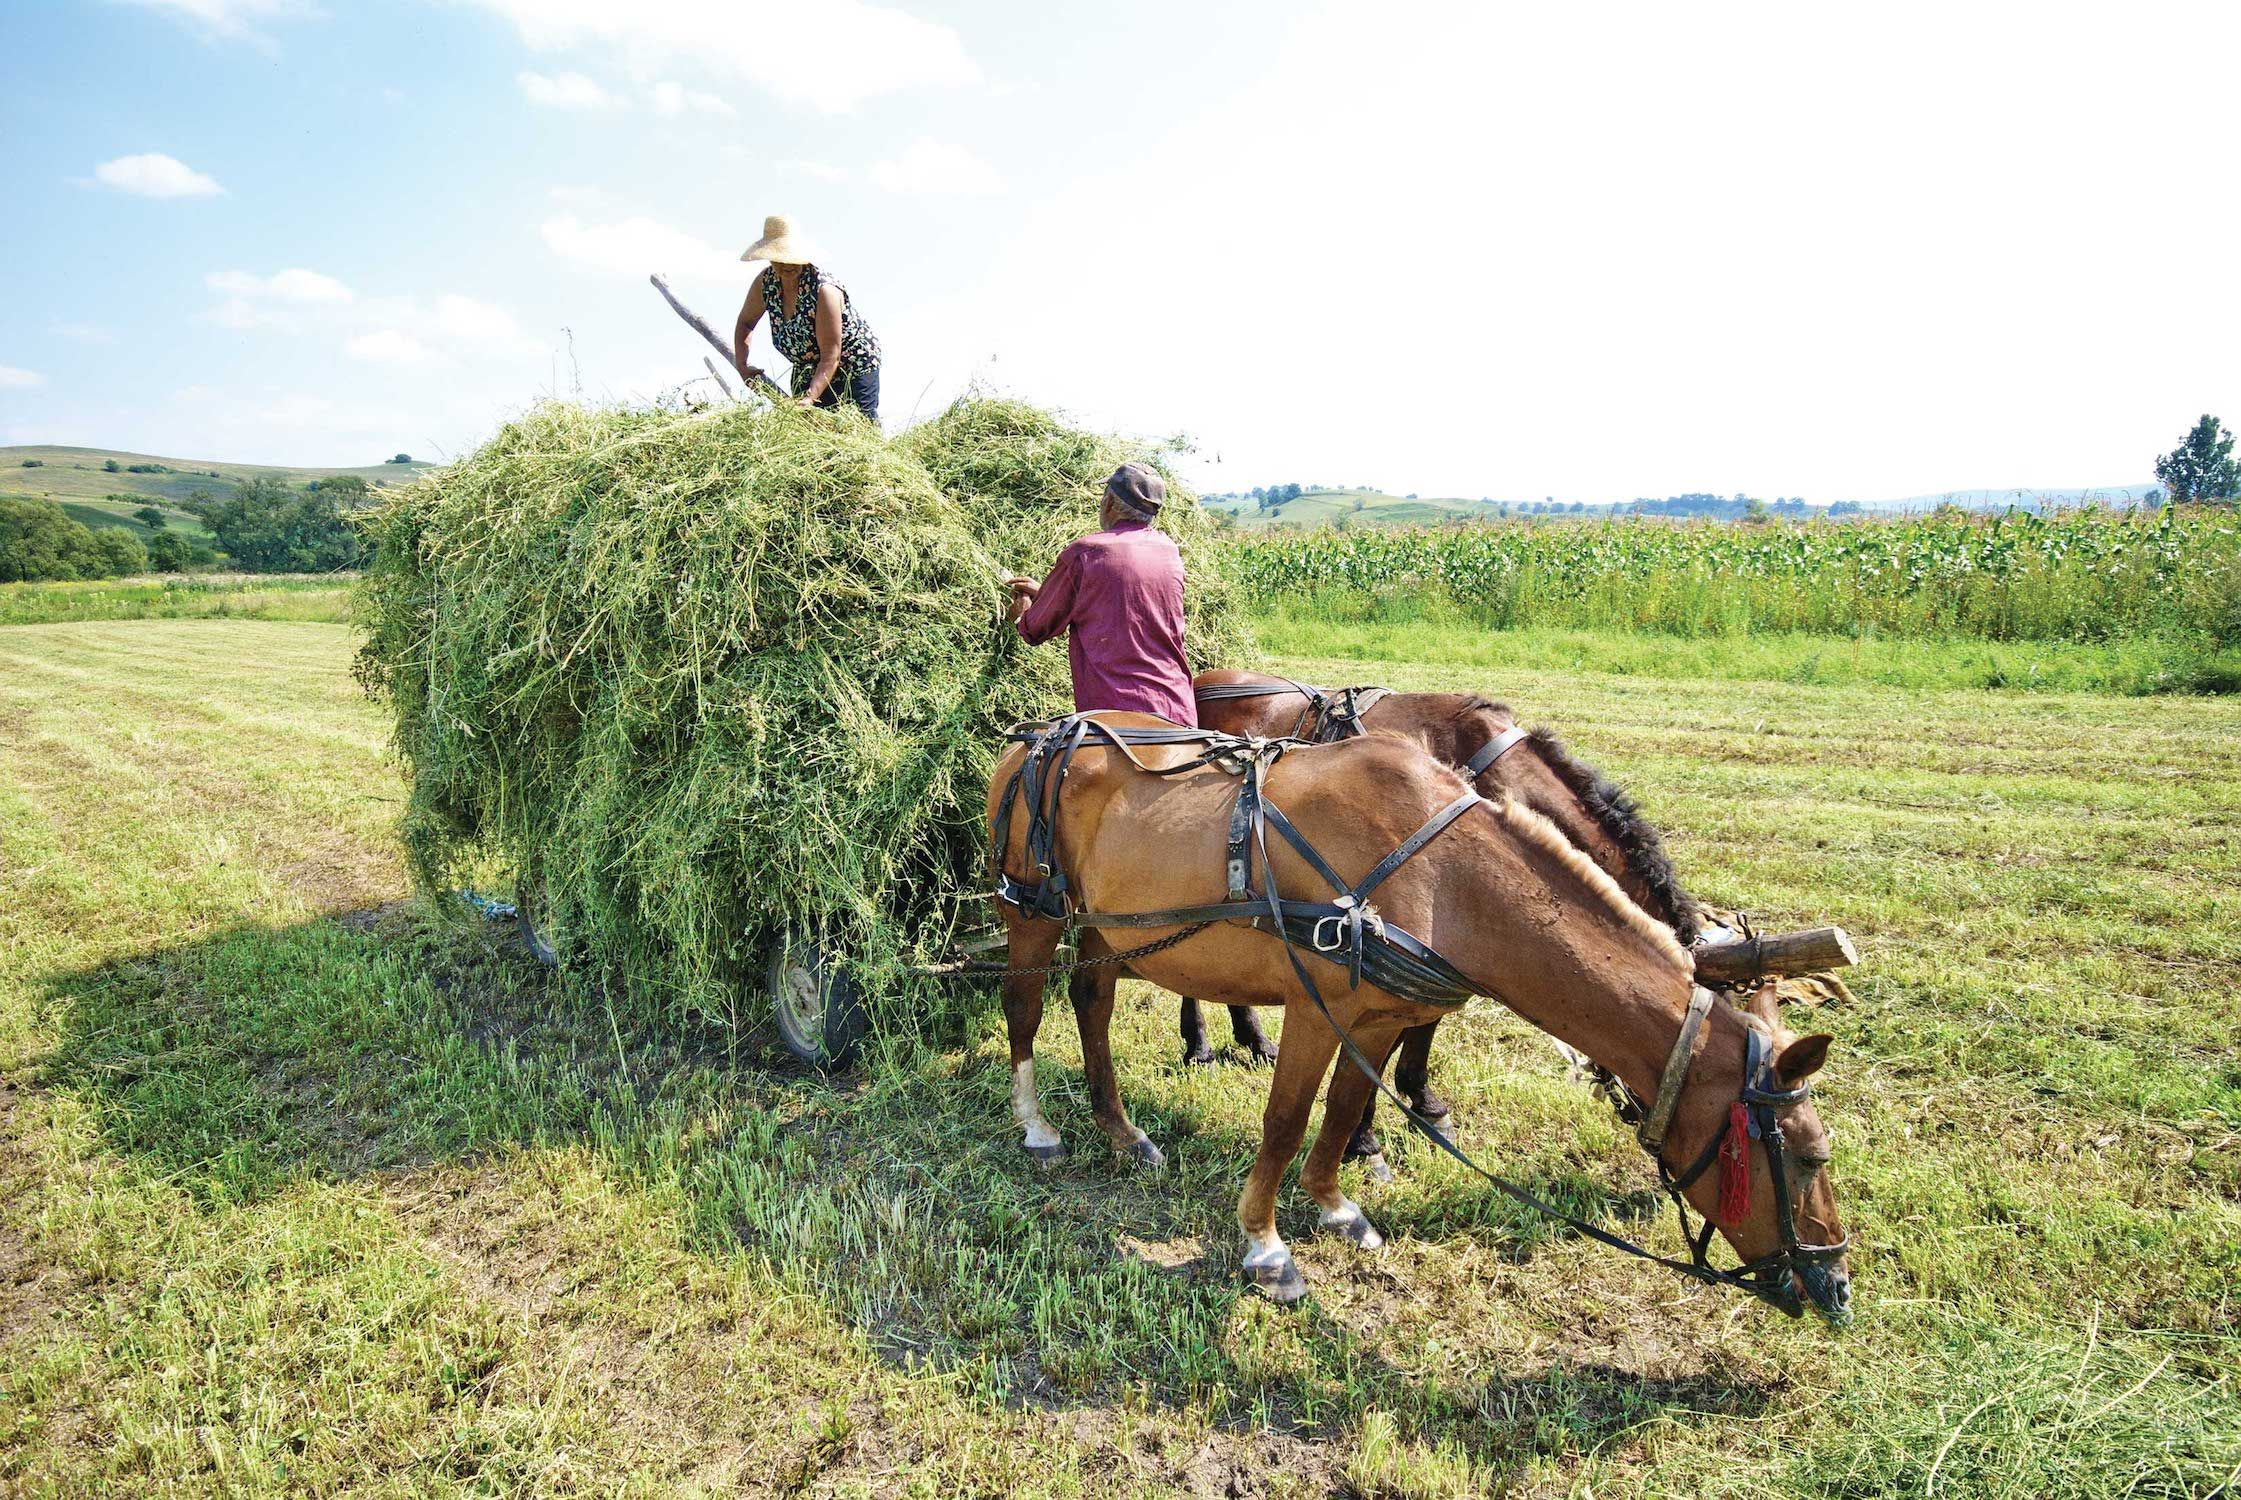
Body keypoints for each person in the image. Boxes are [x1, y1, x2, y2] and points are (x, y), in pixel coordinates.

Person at [1007, 463, 1197, 725]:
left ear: (1108, 502)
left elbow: (1035, 630)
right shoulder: (1168, 550)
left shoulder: (1086, 552)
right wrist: (1047, 593)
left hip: (1115, 715)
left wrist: (1022, 612)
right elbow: (1125, 604)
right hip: (1177, 710)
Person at [732, 214, 882, 418]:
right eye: (780, 257)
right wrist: (741, 364)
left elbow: (831, 356)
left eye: (792, 257)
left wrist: (810, 398)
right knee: (807, 429)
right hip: (808, 366)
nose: (787, 264)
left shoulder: (823, 291)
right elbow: (746, 322)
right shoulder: (766, 284)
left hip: (853, 366)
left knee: (856, 427)